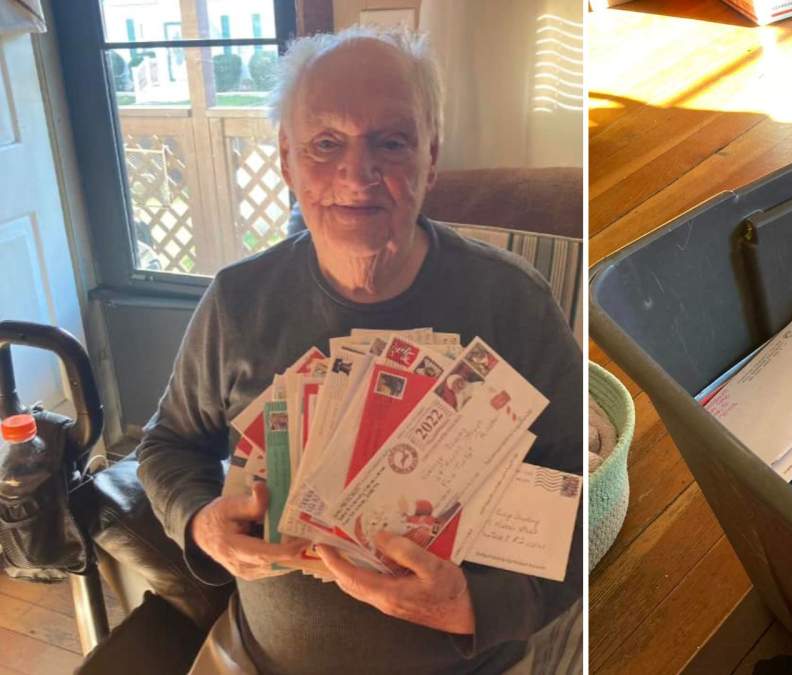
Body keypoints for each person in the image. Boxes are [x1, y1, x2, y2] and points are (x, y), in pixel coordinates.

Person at [136, 25, 581, 675]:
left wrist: (473, 605)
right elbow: (166, 443)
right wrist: (199, 522)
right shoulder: (237, 301)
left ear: (431, 155)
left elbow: (581, 503)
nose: (357, 172)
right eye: (325, 143)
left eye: (390, 141)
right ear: (287, 160)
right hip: (257, 662)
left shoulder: (516, 304)